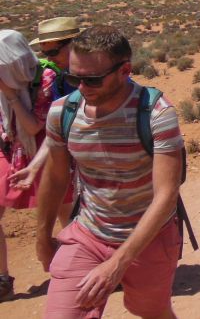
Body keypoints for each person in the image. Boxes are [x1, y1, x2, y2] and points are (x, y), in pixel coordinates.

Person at [36, 26, 184, 318]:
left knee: (152, 312)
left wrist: (117, 263)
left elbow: (166, 195)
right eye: (73, 77)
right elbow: (55, 179)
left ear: (124, 70)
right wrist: (42, 238)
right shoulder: (62, 112)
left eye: (92, 80)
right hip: (87, 234)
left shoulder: (156, 114)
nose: (82, 87)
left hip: (150, 237)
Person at [0, 30, 74, 302]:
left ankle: (80, 263)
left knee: (66, 211)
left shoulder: (46, 78)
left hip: (47, 149)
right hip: (12, 149)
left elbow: (33, 125)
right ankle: (3, 280)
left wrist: (8, 94)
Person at [9, 17, 83, 193]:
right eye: (45, 54)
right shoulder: (60, 80)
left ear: (74, 44)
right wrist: (34, 167)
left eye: (54, 52)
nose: (49, 58)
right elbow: (56, 130)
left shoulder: (107, 73)